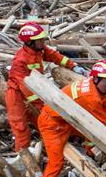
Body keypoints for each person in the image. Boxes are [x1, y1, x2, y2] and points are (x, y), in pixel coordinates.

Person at [36, 60, 106, 177]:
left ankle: (91, 154)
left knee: (88, 134)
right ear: (96, 78)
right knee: (56, 163)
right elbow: (104, 125)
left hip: (66, 120)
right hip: (52, 124)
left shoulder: (95, 87)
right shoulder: (91, 97)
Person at [6, 22, 86, 152]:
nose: (43, 42)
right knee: (20, 127)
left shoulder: (40, 49)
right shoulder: (20, 61)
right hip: (17, 95)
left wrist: (73, 65)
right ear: (30, 42)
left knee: (41, 121)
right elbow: (26, 88)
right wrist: (43, 105)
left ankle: (51, 143)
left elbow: (55, 56)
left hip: (35, 89)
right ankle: (23, 157)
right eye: (40, 40)